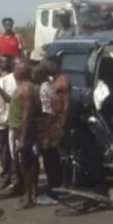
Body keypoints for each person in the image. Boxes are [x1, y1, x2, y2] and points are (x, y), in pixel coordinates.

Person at [9, 62, 41, 210]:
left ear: (23, 72)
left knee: (26, 164)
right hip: (19, 130)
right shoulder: (21, 86)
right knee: (27, 163)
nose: (14, 71)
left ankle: (28, 196)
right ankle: (32, 193)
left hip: (25, 132)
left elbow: (27, 114)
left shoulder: (27, 88)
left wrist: (22, 138)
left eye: (16, 69)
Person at [41, 59, 70, 200]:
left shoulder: (62, 82)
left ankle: (56, 189)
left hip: (56, 124)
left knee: (53, 157)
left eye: (50, 64)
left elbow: (66, 106)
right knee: (49, 157)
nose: (48, 67)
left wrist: (61, 125)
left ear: (56, 65)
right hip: (51, 122)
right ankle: (54, 187)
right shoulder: (52, 82)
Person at [0, 58, 21, 191]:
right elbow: (1, 103)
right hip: (8, 122)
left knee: (12, 152)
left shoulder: (26, 82)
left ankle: (12, 178)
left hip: (13, 123)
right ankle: (9, 177)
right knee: (8, 152)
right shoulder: (4, 81)